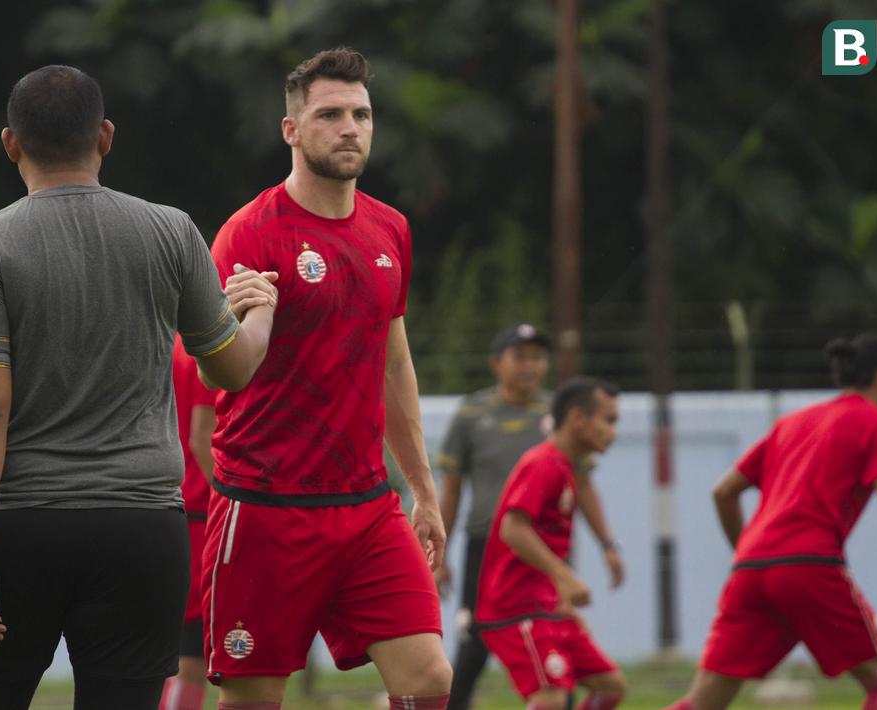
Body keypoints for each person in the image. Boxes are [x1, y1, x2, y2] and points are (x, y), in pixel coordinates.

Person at [0, 65, 275, 710]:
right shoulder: (170, 230)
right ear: (107, 137)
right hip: (142, 529)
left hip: (23, 527)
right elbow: (230, 368)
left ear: (10, 143)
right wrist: (259, 310)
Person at [203, 47, 452, 710]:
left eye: (361, 114)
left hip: (367, 504)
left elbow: (393, 362)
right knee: (254, 700)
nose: (350, 127)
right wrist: (232, 325)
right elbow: (222, 370)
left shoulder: (390, 228)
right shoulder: (248, 233)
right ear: (291, 130)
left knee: (428, 680)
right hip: (264, 506)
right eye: (330, 114)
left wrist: (422, 490)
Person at [665, 333, 877, 710]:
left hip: (751, 569)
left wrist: (746, 550)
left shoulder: (793, 422)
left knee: (702, 701)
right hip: (810, 565)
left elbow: (723, 492)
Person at [439, 326, 624, 710]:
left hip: (541, 571)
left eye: (537, 357)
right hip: (502, 569)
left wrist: (606, 546)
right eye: (519, 357)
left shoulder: (560, 443)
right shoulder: (482, 421)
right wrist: (438, 552)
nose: (529, 366)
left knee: (604, 684)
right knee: (480, 653)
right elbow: (503, 521)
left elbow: (583, 490)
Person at [475, 377, 627, 710]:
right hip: (515, 607)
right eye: (609, 420)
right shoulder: (542, 463)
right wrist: (565, 577)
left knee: (610, 685)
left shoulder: (564, 467)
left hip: (545, 604)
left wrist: (560, 591)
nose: (614, 432)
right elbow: (513, 530)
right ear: (577, 419)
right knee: (551, 700)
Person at [159, 335, 219, 710]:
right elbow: (203, 437)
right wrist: (235, 500)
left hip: (164, 503)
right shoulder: (208, 346)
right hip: (197, 510)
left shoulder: (169, 342)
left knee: (168, 647)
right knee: (192, 653)